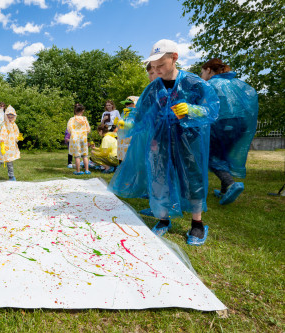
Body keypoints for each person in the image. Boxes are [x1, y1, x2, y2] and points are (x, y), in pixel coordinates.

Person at [108, 39, 219, 246]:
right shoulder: (152, 89)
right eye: (154, 67)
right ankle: (162, 219)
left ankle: (197, 224)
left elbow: (212, 109)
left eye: (161, 65)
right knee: (159, 177)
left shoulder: (194, 83)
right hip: (159, 142)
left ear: (174, 58)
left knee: (192, 179)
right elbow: (141, 116)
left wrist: (193, 110)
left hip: (189, 142)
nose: (157, 70)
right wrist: (128, 125)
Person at [201, 58, 259, 205]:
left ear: (208, 70)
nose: (201, 75)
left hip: (222, 124)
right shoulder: (234, 83)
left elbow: (203, 106)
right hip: (240, 125)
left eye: (202, 71)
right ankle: (224, 191)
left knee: (211, 157)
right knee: (224, 155)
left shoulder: (210, 84)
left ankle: (232, 184)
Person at [0, 105, 23, 181]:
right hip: (2, 147)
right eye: (8, 116)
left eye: (12, 116)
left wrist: (18, 138)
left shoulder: (14, 125)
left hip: (10, 147)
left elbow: (16, 133)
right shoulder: (3, 125)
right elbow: (0, 135)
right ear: (5, 116)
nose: (10, 117)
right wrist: (2, 144)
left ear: (14, 116)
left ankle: (11, 176)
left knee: (10, 162)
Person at [68, 103, 91, 175]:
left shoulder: (72, 119)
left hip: (75, 138)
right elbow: (88, 129)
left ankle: (78, 171)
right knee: (85, 155)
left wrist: (73, 132)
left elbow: (69, 129)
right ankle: (87, 170)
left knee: (77, 156)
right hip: (83, 138)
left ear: (75, 111)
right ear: (83, 110)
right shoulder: (85, 119)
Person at [116, 96, 139, 162]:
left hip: (131, 137)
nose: (127, 105)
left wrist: (125, 123)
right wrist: (118, 122)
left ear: (135, 103)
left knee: (131, 154)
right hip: (122, 138)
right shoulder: (125, 112)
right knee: (122, 154)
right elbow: (121, 124)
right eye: (126, 104)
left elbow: (135, 124)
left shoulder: (138, 113)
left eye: (129, 103)